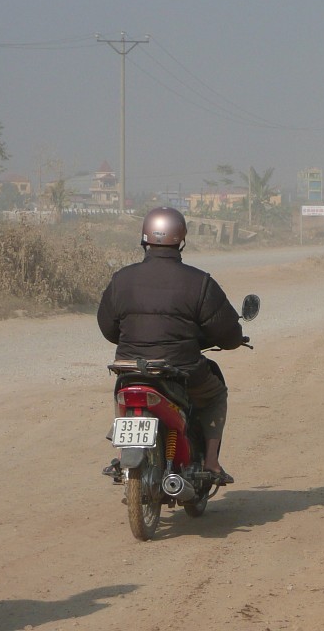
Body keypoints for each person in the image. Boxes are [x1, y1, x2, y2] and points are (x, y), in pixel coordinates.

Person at [97, 206, 243, 484]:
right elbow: (227, 332)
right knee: (214, 394)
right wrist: (234, 340)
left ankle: (121, 453)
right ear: (181, 239)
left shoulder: (121, 279)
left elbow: (108, 328)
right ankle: (211, 463)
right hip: (182, 371)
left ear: (144, 238)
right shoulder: (199, 282)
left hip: (131, 369)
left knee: (122, 393)